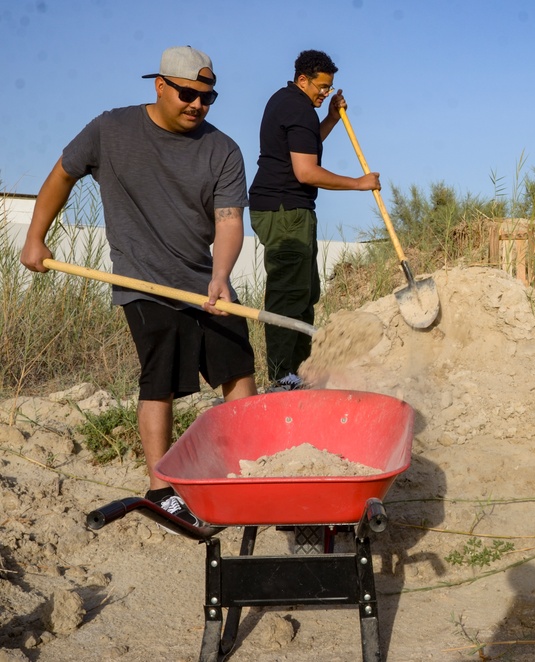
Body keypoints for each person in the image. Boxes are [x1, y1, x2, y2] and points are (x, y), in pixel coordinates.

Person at [20, 46, 257, 527]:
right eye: (188, 94)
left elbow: (230, 221)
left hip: (202, 280)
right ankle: (160, 489)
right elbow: (62, 175)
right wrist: (34, 238)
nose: (197, 105)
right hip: (139, 279)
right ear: (160, 85)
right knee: (161, 369)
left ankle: (249, 471)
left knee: (237, 360)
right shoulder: (112, 129)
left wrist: (220, 276)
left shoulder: (223, 149)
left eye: (207, 98)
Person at [249, 49, 381, 390]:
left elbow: (305, 146)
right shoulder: (297, 107)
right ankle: (281, 378)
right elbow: (306, 172)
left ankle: (300, 373)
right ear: (303, 79)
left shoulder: (290, 103)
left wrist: (333, 119)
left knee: (306, 292)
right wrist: (358, 183)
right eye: (321, 86)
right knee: (288, 294)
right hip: (284, 210)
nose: (325, 92)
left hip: (288, 209)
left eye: (330, 87)